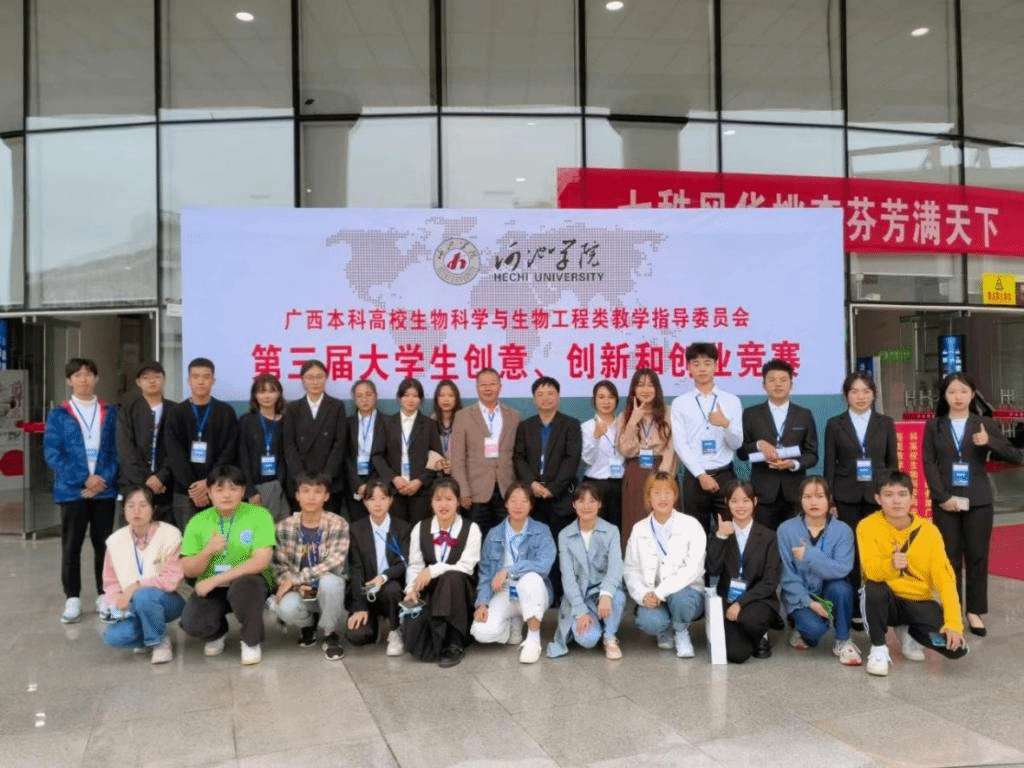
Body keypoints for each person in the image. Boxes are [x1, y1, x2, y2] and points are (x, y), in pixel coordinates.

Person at [923, 372, 1023, 637]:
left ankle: (975, 611)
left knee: (977, 556)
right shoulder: (934, 426)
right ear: (944, 396)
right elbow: (928, 463)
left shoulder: (984, 424)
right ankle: (952, 610)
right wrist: (942, 497)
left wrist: (989, 442)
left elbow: (1014, 456)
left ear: (973, 394)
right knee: (949, 558)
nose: (958, 397)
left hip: (978, 500)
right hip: (946, 500)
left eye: (963, 391)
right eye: (952, 392)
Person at [858, 470, 969, 676]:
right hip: (888, 601)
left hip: (919, 602)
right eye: (889, 494)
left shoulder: (930, 532)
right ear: (878, 499)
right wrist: (890, 565)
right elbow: (870, 571)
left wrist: (954, 623)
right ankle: (879, 648)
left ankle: (909, 631)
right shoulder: (867, 526)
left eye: (902, 494)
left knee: (955, 649)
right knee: (872, 589)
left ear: (911, 498)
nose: (896, 501)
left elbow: (945, 580)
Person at [44, 357, 119, 624]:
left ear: (97, 378)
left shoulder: (110, 412)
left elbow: (117, 450)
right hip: (71, 491)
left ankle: (104, 595)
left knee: (104, 545)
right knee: (71, 545)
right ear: (69, 381)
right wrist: (83, 480)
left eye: (88, 374)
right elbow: (52, 453)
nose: (83, 379)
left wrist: (102, 480)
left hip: (104, 491)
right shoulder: (59, 414)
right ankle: (72, 598)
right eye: (77, 375)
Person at [179, 465, 275, 665]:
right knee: (192, 622)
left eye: (233, 488)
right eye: (219, 489)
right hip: (213, 587)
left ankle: (251, 641)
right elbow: (188, 569)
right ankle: (217, 633)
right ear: (209, 492)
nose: (226, 494)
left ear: (243, 491)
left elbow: (261, 561)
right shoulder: (197, 522)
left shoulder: (259, 515)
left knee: (245, 587)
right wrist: (207, 551)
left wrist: (216, 579)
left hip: (249, 581)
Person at [823, 372, 897, 628]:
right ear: (846, 396)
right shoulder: (835, 424)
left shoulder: (885, 423)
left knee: (879, 550)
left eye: (866, 391)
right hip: (846, 496)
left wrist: (891, 496)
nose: (860, 396)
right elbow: (829, 465)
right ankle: (855, 607)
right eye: (854, 391)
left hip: (877, 497)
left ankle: (880, 604)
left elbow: (892, 464)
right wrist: (830, 500)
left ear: (873, 395)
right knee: (852, 551)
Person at [777, 477, 860, 666]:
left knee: (842, 589)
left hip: (829, 589)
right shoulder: (786, 530)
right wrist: (809, 602)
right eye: (807, 497)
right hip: (801, 594)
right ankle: (802, 629)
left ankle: (843, 640)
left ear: (829, 499)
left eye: (819, 496)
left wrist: (810, 555)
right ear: (800, 500)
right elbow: (787, 576)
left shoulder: (842, 530)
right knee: (813, 632)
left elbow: (842, 568)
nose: (813, 502)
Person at [471, 482, 556, 664]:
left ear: (531, 505)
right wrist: (482, 603)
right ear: (506, 504)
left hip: (534, 593)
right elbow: (485, 573)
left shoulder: (542, 531)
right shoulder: (494, 534)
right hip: (504, 592)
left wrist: (508, 571)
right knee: (481, 632)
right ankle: (512, 622)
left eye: (524, 501)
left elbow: (544, 565)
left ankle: (533, 640)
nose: (518, 506)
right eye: (513, 500)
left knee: (530, 578)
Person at [622, 471, 705, 658]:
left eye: (668, 492)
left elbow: (694, 567)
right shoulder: (639, 529)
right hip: (653, 595)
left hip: (686, 594)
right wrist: (644, 594)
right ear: (648, 497)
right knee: (649, 621)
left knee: (681, 599)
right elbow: (630, 569)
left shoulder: (691, 525)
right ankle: (664, 629)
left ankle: (681, 631)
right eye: (657, 492)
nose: (663, 498)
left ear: (675, 496)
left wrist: (661, 591)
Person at [100, 486, 186, 664]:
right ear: (124, 510)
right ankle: (151, 634)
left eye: (142, 505)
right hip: (133, 605)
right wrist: (116, 606)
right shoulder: (116, 541)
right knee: (112, 636)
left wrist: (135, 587)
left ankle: (159, 642)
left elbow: (171, 579)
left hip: (170, 599)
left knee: (144, 596)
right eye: (130, 506)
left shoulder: (169, 535)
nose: (136, 511)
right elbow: (111, 583)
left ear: (153, 509)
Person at [402, 477, 481, 667]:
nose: (443, 505)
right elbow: (415, 565)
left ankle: (455, 642)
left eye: (449, 499)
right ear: (431, 503)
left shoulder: (471, 529)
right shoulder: (420, 528)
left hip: (460, 591)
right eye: (438, 499)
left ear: (458, 502)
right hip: (430, 591)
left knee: (451, 578)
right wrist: (411, 589)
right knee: (416, 645)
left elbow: (466, 567)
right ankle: (438, 639)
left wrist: (434, 569)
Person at [272, 471, 350, 660]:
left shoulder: (338, 524)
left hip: (327, 590)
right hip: (302, 591)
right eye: (305, 491)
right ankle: (308, 626)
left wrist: (296, 579)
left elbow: (334, 561)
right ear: (297, 495)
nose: (311, 497)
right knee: (284, 607)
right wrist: (297, 586)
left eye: (317, 492)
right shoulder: (284, 527)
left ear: (327, 496)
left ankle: (330, 633)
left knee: (330, 582)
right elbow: (279, 567)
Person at [547, 482, 626, 660]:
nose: (586, 506)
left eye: (592, 501)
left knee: (618, 596)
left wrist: (606, 593)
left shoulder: (611, 531)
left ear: (599, 504)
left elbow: (616, 567)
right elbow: (567, 577)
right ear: (574, 505)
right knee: (588, 639)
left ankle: (609, 637)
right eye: (581, 501)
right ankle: (596, 624)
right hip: (580, 597)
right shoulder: (565, 535)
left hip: (602, 592)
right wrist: (580, 610)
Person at [671, 342, 743, 536]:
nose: (702, 369)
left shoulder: (731, 401)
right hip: (695, 479)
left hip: (725, 476)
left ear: (716, 366)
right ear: (688, 368)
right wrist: (701, 475)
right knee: (695, 536)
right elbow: (680, 444)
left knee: (729, 533)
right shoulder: (680, 403)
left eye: (707, 363)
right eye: (696, 364)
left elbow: (737, 444)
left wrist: (725, 424)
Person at [738, 359, 818, 530]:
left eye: (783, 380)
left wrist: (794, 463)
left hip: (795, 492)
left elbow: (812, 454)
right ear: (764, 385)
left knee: (795, 540)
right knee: (764, 540)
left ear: (791, 385)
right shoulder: (751, 414)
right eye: (772, 380)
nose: (778, 384)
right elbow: (742, 453)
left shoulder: (804, 415)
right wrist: (758, 445)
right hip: (763, 492)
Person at [707, 481, 782, 663]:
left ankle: (761, 632)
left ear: (754, 502)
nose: (740, 506)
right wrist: (720, 537)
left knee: (750, 619)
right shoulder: (720, 531)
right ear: (727, 503)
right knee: (736, 654)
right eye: (734, 501)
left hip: (759, 599)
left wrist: (741, 603)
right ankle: (752, 636)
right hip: (728, 599)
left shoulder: (768, 536)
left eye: (745, 500)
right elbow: (712, 569)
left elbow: (770, 581)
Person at [164, 357, 239, 530]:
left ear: (213, 380)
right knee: (190, 541)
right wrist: (194, 489)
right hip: (185, 492)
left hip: (219, 489)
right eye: (196, 376)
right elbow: (174, 453)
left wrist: (209, 482)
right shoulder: (176, 413)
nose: (200, 381)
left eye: (206, 377)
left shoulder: (225, 412)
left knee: (221, 540)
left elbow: (229, 451)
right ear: (189, 380)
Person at [450, 368, 521, 539]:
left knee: (506, 539)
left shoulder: (514, 416)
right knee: (474, 540)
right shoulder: (462, 416)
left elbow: (519, 455)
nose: (488, 388)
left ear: (500, 387)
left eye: (492, 384)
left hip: (506, 490)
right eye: (483, 385)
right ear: (477, 388)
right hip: (475, 492)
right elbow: (457, 458)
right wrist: (463, 491)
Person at [513, 376, 582, 546]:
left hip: (561, 498)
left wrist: (553, 489)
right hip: (533, 499)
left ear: (558, 397)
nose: (546, 398)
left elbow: (572, 459)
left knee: (561, 546)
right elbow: (518, 458)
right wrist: (532, 484)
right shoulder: (525, 426)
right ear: (534, 399)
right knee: (534, 546)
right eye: (540, 394)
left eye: (550, 393)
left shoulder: (571, 425)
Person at [345, 480, 411, 655]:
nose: (378, 504)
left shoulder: (402, 528)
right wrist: (360, 606)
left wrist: (384, 577)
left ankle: (395, 630)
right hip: (367, 591)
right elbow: (356, 568)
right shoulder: (356, 529)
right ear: (364, 502)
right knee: (357, 636)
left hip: (392, 589)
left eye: (383, 498)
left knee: (392, 589)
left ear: (390, 500)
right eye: (372, 499)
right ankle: (374, 622)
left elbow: (404, 563)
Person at [617, 368, 676, 551]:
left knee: (665, 524)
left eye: (650, 385)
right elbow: (625, 450)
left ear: (657, 389)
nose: (645, 389)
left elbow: (672, 448)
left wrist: (663, 478)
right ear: (633, 390)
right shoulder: (625, 415)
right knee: (636, 522)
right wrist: (633, 421)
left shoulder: (669, 412)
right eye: (640, 385)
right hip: (636, 474)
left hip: (662, 470)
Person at [283, 359, 348, 515]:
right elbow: (289, 445)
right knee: (302, 527)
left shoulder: (336, 406)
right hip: (300, 482)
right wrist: (301, 478)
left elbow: (339, 444)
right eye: (310, 377)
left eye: (319, 376)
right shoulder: (293, 408)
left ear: (326, 378)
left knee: (329, 526)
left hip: (329, 481)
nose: (315, 381)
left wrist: (325, 478)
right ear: (303, 380)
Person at [374, 377, 443, 524]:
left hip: (421, 491)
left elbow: (437, 458)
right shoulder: (386, 423)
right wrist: (394, 478)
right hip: (394, 490)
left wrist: (420, 481)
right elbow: (377, 456)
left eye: (415, 396)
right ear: (399, 398)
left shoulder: (429, 424)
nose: (410, 400)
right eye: (406, 395)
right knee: (397, 532)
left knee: (419, 531)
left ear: (421, 400)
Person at [116, 361, 175, 523]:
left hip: (166, 487)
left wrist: (161, 477)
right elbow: (125, 450)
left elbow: (177, 450)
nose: (152, 381)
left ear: (164, 380)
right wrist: (147, 481)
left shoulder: (175, 410)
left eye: (156, 376)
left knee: (166, 535)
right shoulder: (127, 410)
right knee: (134, 534)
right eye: (146, 377)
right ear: (138, 382)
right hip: (133, 485)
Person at [237, 374, 288, 521]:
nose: (267, 396)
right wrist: (250, 491)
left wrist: (280, 486)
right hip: (254, 489)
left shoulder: (287, 422)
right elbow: (242, 457)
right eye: (262, 391)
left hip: (280, 489)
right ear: (255, 395)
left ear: (279, 394)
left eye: (271, 391)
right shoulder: (246, 421)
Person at [580, 380, 626, 529]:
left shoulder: (624, 425)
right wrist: (595, 437)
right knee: (595, 530)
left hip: (620, 484)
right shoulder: (586, 427)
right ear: (594, 400)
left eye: (611, 397)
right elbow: (587, 460)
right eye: (601, 397)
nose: (606, 402)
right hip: (595, 485)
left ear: (616, 400)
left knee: (620, 528)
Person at [345, 379, 385, 522]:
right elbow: (344, 457)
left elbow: (388, 456)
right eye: (359, 396)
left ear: (376, 396)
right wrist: (358, 485)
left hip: (380, 485)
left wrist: (373, 485)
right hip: (354, 485)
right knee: (358, 527)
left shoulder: (387, 422)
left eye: (368, 394)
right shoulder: (347, 424)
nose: (364, 399)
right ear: (354, 399)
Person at [431, 379, 462, 475]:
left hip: (460, 474)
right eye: (442, 395)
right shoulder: (430, 422)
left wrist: (455, 464)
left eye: (450, 396)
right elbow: (425, 452)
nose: (446, 399)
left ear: (456, 399)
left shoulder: (464, 421)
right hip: (436, 475)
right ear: (436, 399)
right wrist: (436, 463)